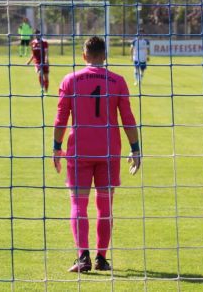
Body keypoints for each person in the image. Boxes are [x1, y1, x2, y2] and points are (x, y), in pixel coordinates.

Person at [52, 36, 140, 273]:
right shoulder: (118, 81)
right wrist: (136, 149)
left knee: (78, 203)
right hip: (109, 152)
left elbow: (61, 118)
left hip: (79, 151)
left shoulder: (70, 80)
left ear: (84, 56)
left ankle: (83, 257)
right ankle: (101, 258)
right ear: (105, 55)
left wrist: (55, 147)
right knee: (105, 206)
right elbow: (128, 119)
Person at [25, 30, 50, 94]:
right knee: (40, 73)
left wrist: (46, 59)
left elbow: (46, 52)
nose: (37, 35)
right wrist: (29, 61)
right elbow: (33, 54)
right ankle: (42, 88)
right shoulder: (33, 43)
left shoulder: (44, 42)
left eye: (38, 34)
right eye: (36, 34)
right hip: (37, 62)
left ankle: (46, 90)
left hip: (44, 61)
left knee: (46, 77)